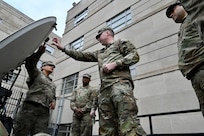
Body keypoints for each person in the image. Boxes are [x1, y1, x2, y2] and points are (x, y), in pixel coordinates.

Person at [52, 27, 146, 136]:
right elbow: (81, 56)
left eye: (99, 36)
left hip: (119, 85)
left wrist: (116, 63)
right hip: (105, 91)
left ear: (107, 33)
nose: (98, 39)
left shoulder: (120, 43)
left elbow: (134, 56)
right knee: (106, 128)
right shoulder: (100, 53)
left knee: (127, 123)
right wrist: (63, 49)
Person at [166, 1, 204, 117]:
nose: (171, 15)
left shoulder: (195, 16)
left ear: (182, 6)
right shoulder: (183, 26)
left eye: (172, 11)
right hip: (193, 74)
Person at [13, 45, 56, 136]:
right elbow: (30, 63)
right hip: (31, 106)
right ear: (43, 67)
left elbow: (53, 95)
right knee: (21, 130)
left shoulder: (52, 83)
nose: (52, 67)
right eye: (50, 65)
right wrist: (39, 53)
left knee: (40, 133)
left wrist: (53, 101)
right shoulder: (36, 74)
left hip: (44, 110)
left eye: (53, 66)